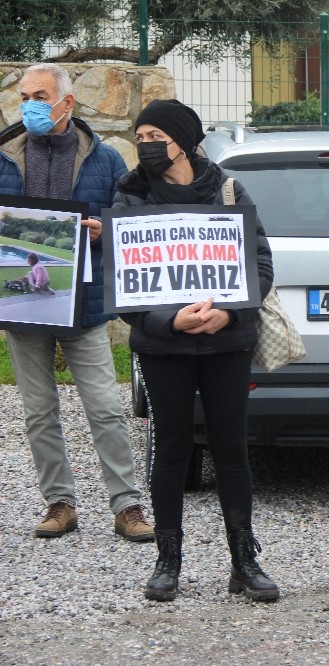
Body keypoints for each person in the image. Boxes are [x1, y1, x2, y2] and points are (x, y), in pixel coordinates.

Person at [113, 99, 278, 602]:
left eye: (154, 135)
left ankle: (244, 560)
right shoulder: (131, 198)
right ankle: (168, 560)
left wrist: (229, 313)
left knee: (231, 451)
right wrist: (169, 320)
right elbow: (124, 284)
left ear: (182, 140)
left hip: (227, 344)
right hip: (164, 349)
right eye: (139, 137)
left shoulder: (228, 190)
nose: (145, 145)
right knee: (170, 452)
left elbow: (261, 265)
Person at [0, 63, 153, 542]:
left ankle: (127, 505)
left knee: (106, 407)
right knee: (38, 411)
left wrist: (107, 229)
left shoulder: (104, 160)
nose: (30, 106)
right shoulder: (3, 158)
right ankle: (59, 503)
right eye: (24, 96)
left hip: (82, 302)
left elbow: (132, 219)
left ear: (67, 102)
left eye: (40, 96)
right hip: (24, 304)